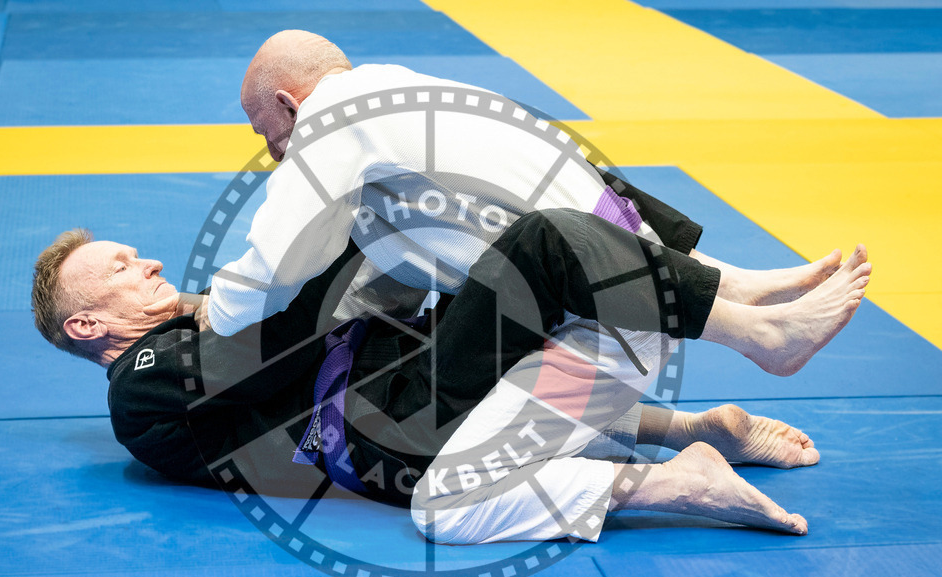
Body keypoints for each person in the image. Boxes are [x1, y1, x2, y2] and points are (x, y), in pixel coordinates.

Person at [32, 207, 870, 543]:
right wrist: (351, 219)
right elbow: (278, 342)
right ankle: (749, 336)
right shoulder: (139, 386)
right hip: (394, 426)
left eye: (135, 253)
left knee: (537, 204)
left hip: (430, 387)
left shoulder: (215, 315)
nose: (144, 261)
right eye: (120, 268)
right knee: (539, 245)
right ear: (88, 324)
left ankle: (699, 411)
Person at [151, 29, 848, 385]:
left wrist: (219, 306)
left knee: (533, 232)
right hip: (616, 247)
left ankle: (758, 333)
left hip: (594, 307)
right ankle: (729, 280)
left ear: (287, 103)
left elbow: (276, 260)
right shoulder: (397, 86)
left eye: (262, 131)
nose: (271, 150)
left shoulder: (328, 122)